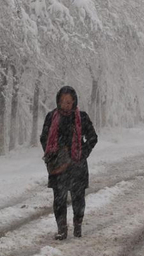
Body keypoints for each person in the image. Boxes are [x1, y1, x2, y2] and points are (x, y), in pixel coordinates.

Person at [40, 86, 98, 240]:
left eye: (69, 102)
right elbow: (44, 138)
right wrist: (54, 154)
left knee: (78, 198)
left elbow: (93, 137)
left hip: (77, 166)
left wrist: (82, 153)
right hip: (58, 167)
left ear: (74, 102)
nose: (66, 104)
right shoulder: (51, 117)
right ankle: (62, 229)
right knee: (59, 199)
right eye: (63, 101)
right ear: (58, 101)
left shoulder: (82, 118)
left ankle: (78, 224)